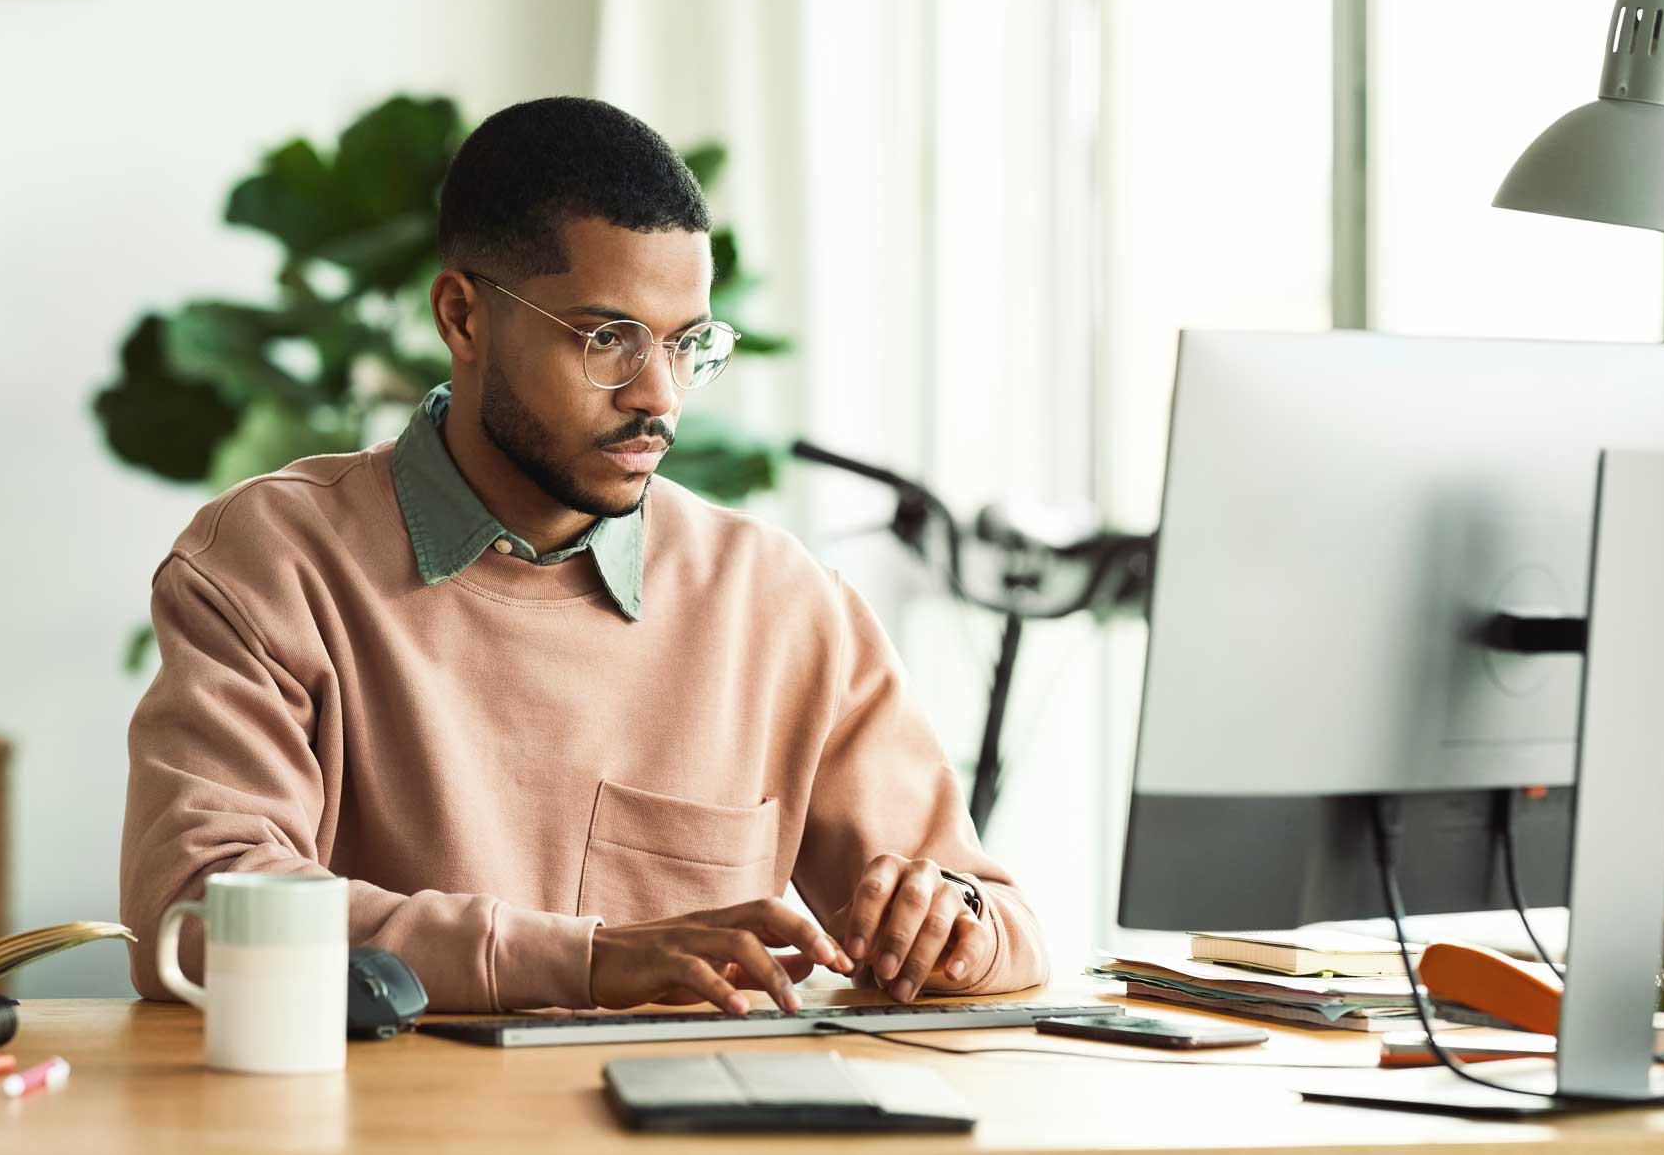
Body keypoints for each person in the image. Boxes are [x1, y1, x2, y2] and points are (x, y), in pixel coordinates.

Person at [120, 96, 1048, 1015]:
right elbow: (198, 915)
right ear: (463, 317)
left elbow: (1002, 922)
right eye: (608, 338)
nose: (660, 399)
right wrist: (590, 962)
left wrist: (952, 926)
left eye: (688, 346)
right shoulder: (271, 565)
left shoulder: (780, 602)